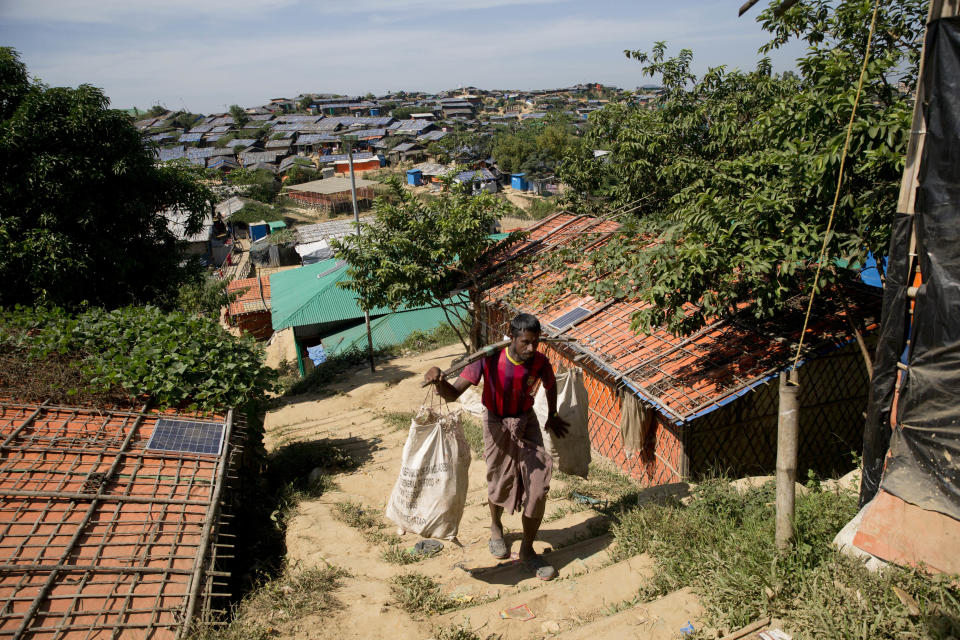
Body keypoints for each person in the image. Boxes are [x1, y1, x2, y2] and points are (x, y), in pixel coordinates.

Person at [423, 313, 568, 580]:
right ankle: (496, 527)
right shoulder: (489, 359)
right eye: (525, 342)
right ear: (511, 338)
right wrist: (438, 381)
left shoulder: (539, 362)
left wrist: (553, 415)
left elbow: (550, 385)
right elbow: (454, 395)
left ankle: (527, 550)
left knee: (538, 487)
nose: (531, 348)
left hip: (527, 423)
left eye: (536, 342)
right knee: (499, 482)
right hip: (495, 423)